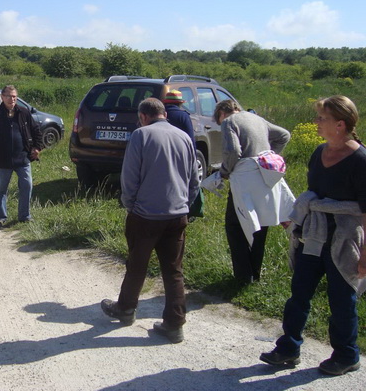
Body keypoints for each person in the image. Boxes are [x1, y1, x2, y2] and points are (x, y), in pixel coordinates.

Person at [260, 96, 366, 376]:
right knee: (299, 293)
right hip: (314, 234)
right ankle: (288, 348)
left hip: (345, 238)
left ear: (340, 124)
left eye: (322, 118)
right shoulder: (319, 152)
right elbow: (314, 195)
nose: (316, 122)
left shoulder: (360, 160)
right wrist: (298, 216)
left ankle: (347, 355)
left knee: (342, 300)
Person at [101, 98, 199, 343]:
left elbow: (130, 176)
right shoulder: (184, 137)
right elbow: (194, 178)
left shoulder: (140, 135)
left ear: (143, 116)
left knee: (137, 264)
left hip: (146, 215)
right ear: (164, 113)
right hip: (177, 215)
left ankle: (125, 309)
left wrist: (131, 205)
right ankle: (175, 325)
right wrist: (184, 205)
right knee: (174, 270)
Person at [215, 99, 294, 284]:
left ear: (222, 113)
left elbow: (233, 151)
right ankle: (255, 275)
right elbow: (284, 135)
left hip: (244, 180)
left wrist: (225, 171)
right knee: (260, 224)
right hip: (265, 178)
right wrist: (269, 156)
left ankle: (243, 277)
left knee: (235, 227)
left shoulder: (229, 122)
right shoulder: (257, 119)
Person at [0, 85, 43, 226]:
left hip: (22, 157)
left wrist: (37, 147)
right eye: (9, 96)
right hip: (2, 159)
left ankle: (24, 216)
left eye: (14, 96)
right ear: (2, 97)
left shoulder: (23, 112)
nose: (12, 99)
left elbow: (36, 131)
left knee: (27, 185)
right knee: (1, 189)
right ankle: (1, 217)